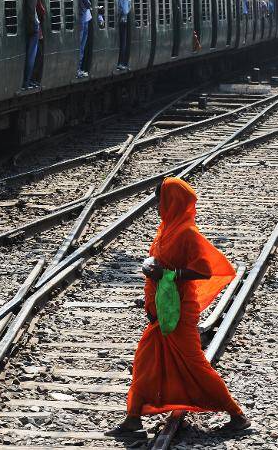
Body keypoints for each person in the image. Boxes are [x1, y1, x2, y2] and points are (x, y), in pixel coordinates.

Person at [105, 177, 250, 443]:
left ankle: (237, 415)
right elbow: (160, 261)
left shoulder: (187, 234)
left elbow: (205, 271)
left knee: (195, 365)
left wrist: (166, 273)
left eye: (161, 200)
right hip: (162, 310)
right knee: (145, 362)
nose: (157, 205)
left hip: (180, 312)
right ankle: (133, 419)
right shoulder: (166, 229)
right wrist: (151, 264)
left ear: (172, 202)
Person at [23, 0, 44, 89]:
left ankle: (26, 80)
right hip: (34, 26)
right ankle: (27, 81)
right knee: (32, 55)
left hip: (25, 24)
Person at [77, 0, 95, 78]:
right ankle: (78, 69)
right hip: (83, 20)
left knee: (81, 46)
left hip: (82, 19)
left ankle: (78, 69)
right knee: (81, 47)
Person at [117, 0, 132, 69]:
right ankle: (120, 63)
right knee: (123, 44)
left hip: (119, 21)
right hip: (123, 22)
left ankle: (120, 63)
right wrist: (128, 1)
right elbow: (126, 11)